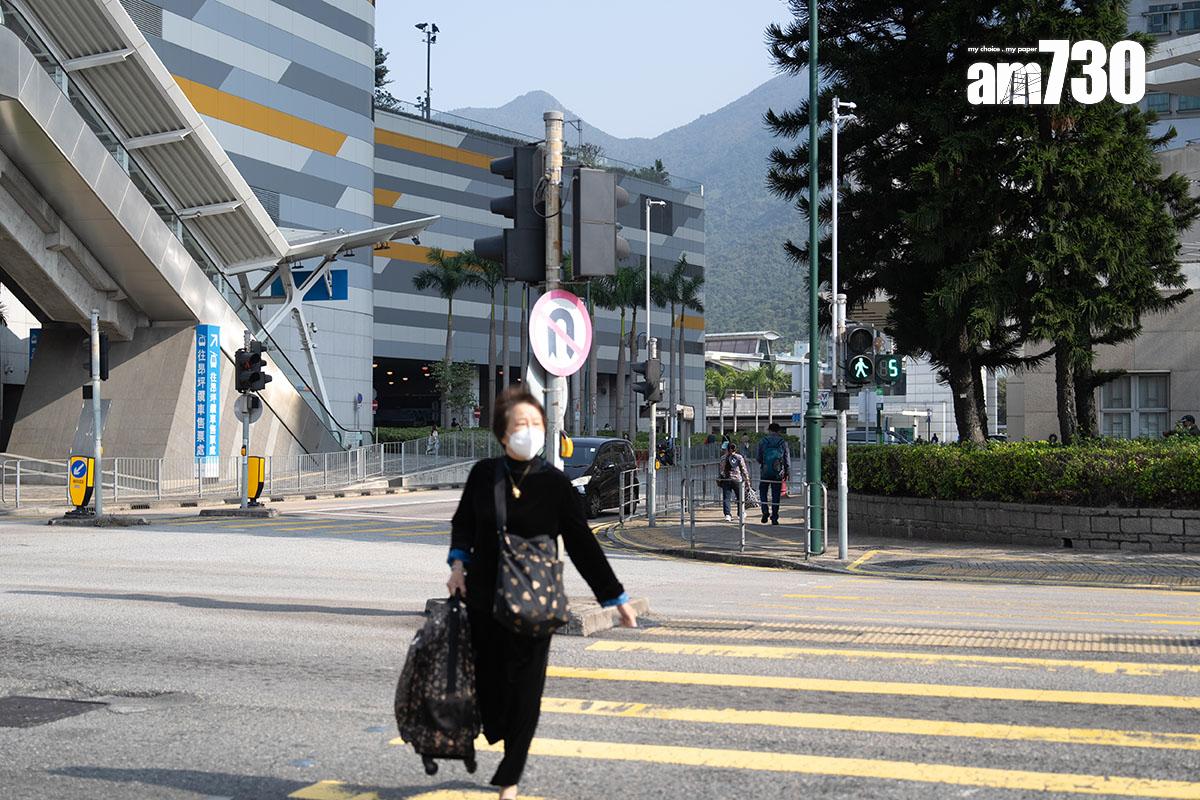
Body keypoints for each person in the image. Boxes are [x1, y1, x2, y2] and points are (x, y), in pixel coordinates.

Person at [446, 386, 637, 800]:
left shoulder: (555, 484)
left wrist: (614, 597)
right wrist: (457, 565)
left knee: (527, 692)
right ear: (502, 433)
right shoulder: (484, 475)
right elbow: (462, 523)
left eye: (535, 424)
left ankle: (510, 777)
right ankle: (497, 728)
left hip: (537, 604)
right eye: (520, 425)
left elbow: (584, 546)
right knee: (491, 689)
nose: (528, 431)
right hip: (484, 600)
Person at [756, 423, 791, 525]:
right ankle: (774, 517)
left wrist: (765, 463)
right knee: (776, 495)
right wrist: (787, 471)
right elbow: (786, 459)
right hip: (778, 472)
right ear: (778, 431)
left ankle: (765, 510)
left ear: (769, 430)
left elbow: (758, 458)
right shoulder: (782, 442)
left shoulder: (763, 441)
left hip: (765, 472)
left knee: (763, 492)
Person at [718, 441, 751, 523]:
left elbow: (721, 471)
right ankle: (740, 513)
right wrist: (747, 481)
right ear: (735, 449)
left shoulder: (723, 458)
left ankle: (727, 515)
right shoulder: (739, 457)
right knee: (740, 497)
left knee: (726, 498)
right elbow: (744, 470)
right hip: (737, 480)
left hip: (726, 480)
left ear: (727, 449)